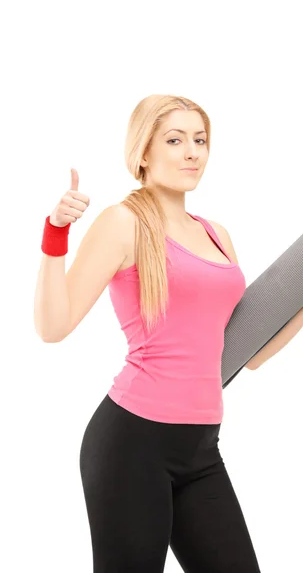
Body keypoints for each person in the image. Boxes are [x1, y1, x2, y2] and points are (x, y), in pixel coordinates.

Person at [34, 94, 261, 572]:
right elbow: (53, 327)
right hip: (132, 445)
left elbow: (247, 350)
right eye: (175, 140)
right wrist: (56, 232)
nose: (192, 152)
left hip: (201, 449)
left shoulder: (216, 233)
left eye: (200, 140)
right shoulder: (124, 222)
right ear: (143, 152)